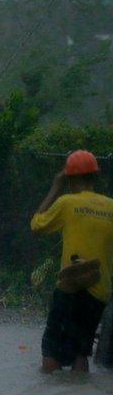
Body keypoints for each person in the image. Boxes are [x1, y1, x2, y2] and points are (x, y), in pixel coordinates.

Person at [31, 150, 113, 373]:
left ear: (69, 179)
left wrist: (55, 188)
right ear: (95, 177)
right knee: (81, 350)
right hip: (99, 292)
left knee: (52, 351)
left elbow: (36, 225)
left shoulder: (67, 203)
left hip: (71, 287)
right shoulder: (111, 206)